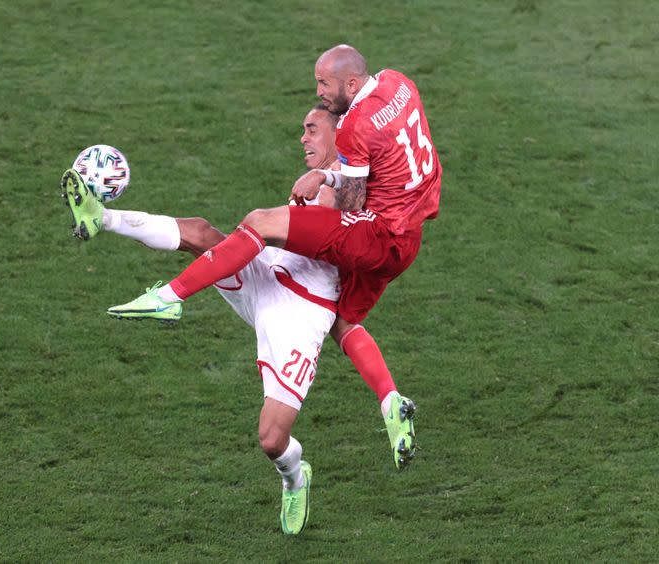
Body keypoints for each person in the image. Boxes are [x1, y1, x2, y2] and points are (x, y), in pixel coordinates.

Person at [102, 44, 439, 469]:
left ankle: (171, 297)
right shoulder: (399, 83)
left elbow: (350, 200)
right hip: (407, 238)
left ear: (351, 85)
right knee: (343, 318)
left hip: (349, 262)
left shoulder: (355, 130)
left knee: (260, 223)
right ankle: (390, 400)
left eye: (324, 86)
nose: (318, 93)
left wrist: (324, 174)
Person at [63, 105, 353, 535]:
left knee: (272, 439)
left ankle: (295, 477)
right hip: (267, 270)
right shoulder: (319, 177)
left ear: (337, 134)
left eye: (312, 130)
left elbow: (339, 220)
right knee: (200, 233)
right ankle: (100, 217)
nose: (303, 138)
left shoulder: (347, 186)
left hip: (300, 313)